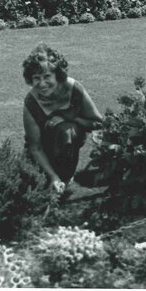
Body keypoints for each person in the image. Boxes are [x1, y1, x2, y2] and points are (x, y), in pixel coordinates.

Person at [22, 43, 103, 188]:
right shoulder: (31, 102)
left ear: (58, 75)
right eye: (36, 78)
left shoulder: (74, 89)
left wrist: (70, 117)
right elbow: (35, 147)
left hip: (68, 141)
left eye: (47, 76)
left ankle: (66, 175)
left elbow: (98, 123)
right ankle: (53, 174)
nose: (42, 84)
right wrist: (53, 177)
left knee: (66, 130)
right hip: (42, 150)